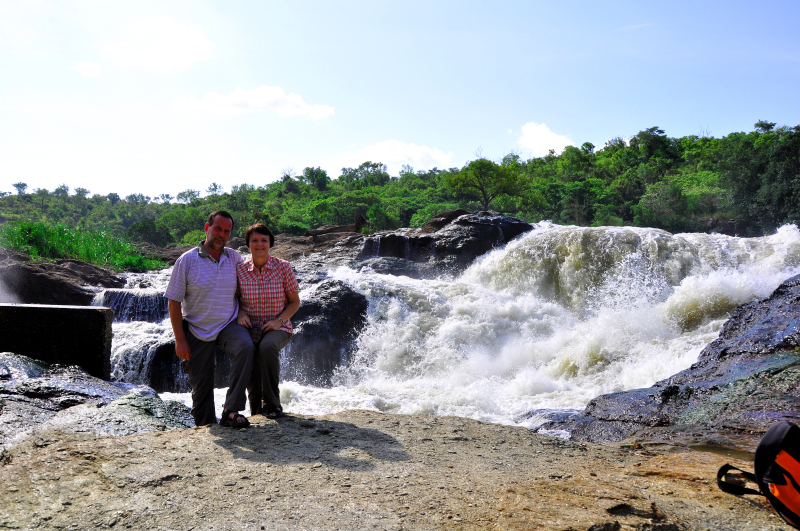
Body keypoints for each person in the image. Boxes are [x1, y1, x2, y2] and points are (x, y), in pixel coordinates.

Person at [164, 211, 254, 428]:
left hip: (228, 324)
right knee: (202, 386)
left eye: (226, 231)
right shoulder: (186, 260)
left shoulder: (234, 258)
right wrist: (180, 339)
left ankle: (231, 410)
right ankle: (205, 427)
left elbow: (245, 291)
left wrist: (242, 312)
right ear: (207, 228)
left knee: (246, 347)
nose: (221, 234)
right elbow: (174, 302)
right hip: (196, 329)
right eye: (218, 229)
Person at [236, 223, 300, 419]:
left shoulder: (283, 268)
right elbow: (234, 299)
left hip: (279, 328)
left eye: (264, 240)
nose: (259, 244)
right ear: (248, 245)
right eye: (254, 240)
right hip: (250, 329)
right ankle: (256, 412)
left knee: (266, 347)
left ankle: (273, 405)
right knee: (252, 361)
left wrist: (278, 321)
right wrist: (240, 313)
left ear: (270, 243)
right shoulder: (240, 270)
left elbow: (294, 302)